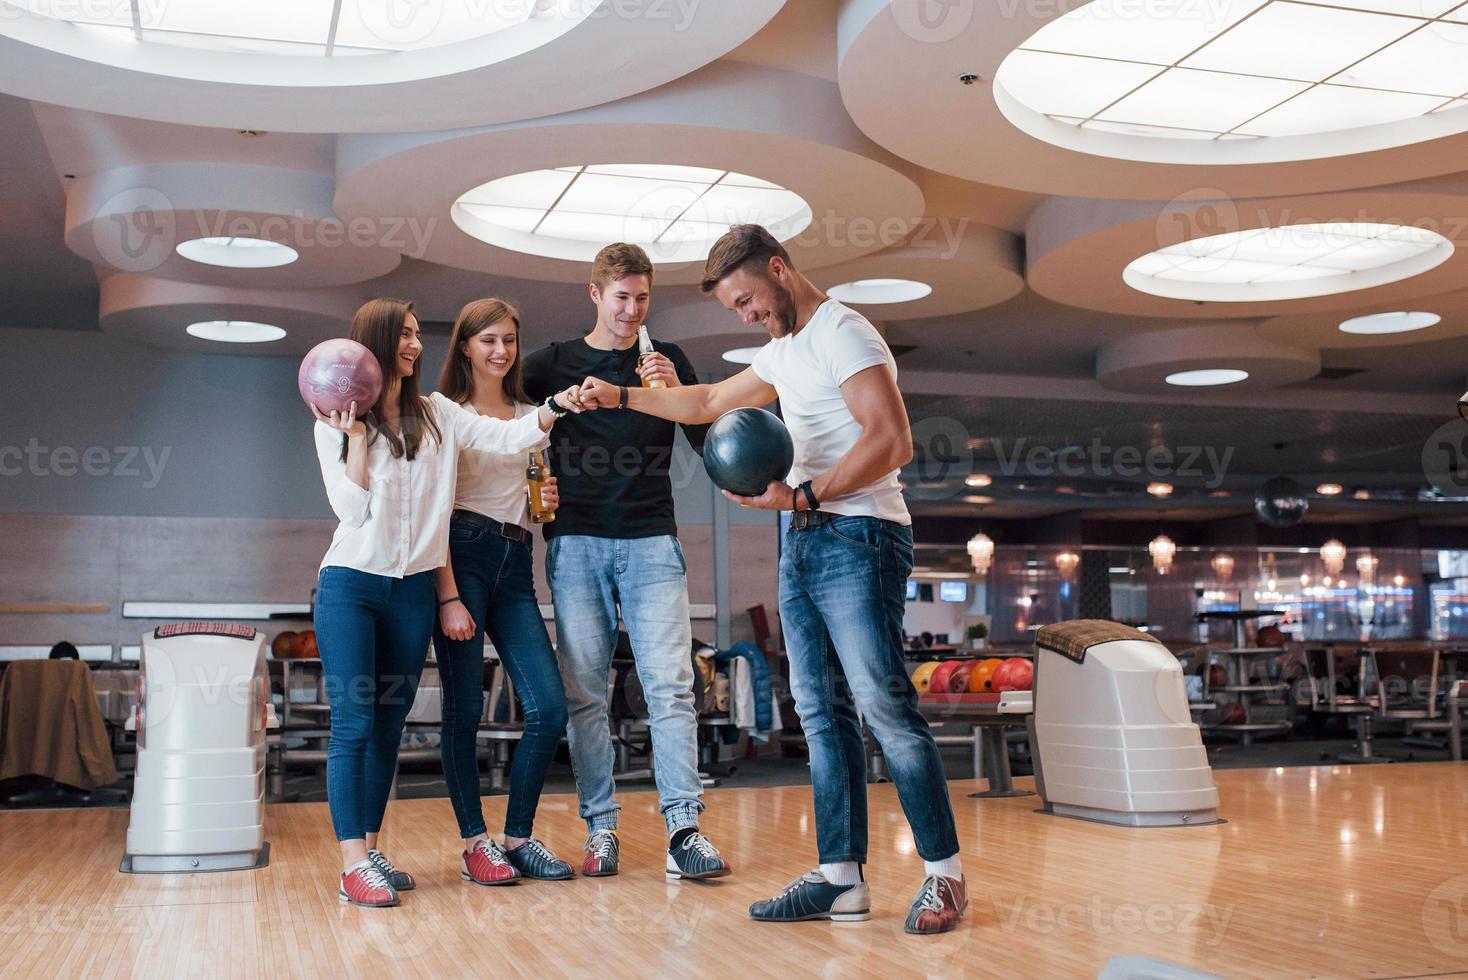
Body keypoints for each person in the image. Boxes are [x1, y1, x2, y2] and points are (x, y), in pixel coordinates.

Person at [576, 225, 966, 934]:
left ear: (780, 271)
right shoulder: (784, 352)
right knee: (819, 714)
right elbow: (703, 404)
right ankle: (840, 878)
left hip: (861, 533)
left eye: (748, 300)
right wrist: (621, 397)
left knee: (883, 706)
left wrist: (807, 497)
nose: (745, 316)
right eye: (734, 308)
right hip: (804, 538)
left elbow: (891, 438)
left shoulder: (844, 333)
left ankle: (944, 875)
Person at [311, 297, 587, 909]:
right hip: (351, 583)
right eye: (404, 335)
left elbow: (508, 434)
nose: (414, 345)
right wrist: (356, 439)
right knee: (354, 724)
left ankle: (374, 849)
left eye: (416, 334)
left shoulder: (438, 414)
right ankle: (351, 861)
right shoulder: (333, 418)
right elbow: (351, 511)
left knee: (388, 724)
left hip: (411, 590)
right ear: (374, 344)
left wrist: (555, 408)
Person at [521, 243, 731, 881]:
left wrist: (674, 395)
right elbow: (503, 420)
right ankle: (601, 828)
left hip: (650, 541)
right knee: (586, 693)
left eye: (642, 299)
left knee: (670, 687)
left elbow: (707, 437)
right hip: (576, 542)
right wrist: (535, 480)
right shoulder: (552, 364)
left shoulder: (667, 363)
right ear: (595, 294)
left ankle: (684, 830)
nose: (632, 311)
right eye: (621, 298)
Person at [432, 298, 574, 886]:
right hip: (460, 554)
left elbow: (532, 488)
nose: (501, 351)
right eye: (488, 339)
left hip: (517, 557)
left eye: (510, 340)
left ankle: (517, 836)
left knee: (548, 706)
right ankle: (475, 843)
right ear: (465, 345)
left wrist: (546, 502)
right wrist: (446, 595)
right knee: (464, 711)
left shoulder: (526, 413)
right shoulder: (445, 411)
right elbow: (431, 510)